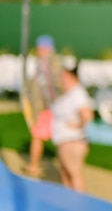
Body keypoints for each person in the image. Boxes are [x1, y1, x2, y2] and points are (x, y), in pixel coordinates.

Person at [50, 60, 94, 192]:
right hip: (65, 139)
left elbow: (87, 114)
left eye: (64, 77)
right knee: (66, 174)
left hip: (72, 140)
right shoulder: (69, 93)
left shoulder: (77, 94)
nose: (61, 80)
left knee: (74, 173)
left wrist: (78, 125)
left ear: (72, 77)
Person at [23, 34, 62, 178]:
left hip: (49, 109)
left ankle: (35, 166)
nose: (38, 50)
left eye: (40, 47)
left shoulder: (49, 64)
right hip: (49, 108)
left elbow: (50, 89)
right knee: (44, 137)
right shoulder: (48, 63)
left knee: (40, 136)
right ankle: (35, 165)